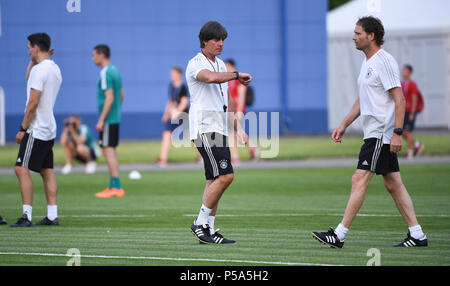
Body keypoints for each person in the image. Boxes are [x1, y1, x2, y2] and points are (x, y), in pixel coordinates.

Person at [312, 17, 427, 248]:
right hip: (375, 131)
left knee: (359, 178)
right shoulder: (368, 62)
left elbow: (399, 99)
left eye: (358, 33)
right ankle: (417, 235)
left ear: (371, 36)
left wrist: (396, 132)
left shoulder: (383, 61)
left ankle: (339, 234)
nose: (354, 37)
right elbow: (363, 99)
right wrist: (344, 124)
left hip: (380, 132)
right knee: (393, 183)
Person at [186, 21, 252, 244]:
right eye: (216, 39)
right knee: (226, 175)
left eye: (223, 39)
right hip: (204, 127)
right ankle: (200, 223)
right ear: (205, 41)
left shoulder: (222, 64)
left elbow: (229, 100)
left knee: (213, 179)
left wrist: (239, 128)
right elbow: (210, 78)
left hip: (219, 127)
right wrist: (236, 75)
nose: (221, 43)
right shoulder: (195, 64)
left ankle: (209, 230)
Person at [11, 33, 62, 227]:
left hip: (36, 128)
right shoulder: (55, 69)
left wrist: (22, 128)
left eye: (29, 47)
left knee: (21, 169)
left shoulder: (39, 71)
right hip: (49, 128)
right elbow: (28, 78)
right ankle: (52, 215)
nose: (28, 50)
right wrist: (34, 61)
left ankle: (26, 216)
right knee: (46, 171)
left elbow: (32, 102)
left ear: (36, 48)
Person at [92, 44, 125, 198]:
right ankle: (113, 185)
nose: (93, 58)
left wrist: (101, 119)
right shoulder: (115, 70)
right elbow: (122, 95)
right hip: (115, 117)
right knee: (110, 149)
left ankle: (116, 187)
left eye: (94, 55)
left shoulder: (105, 72)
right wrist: (117, 110)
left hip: (108, 119)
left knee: (108, 150)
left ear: (101, 55)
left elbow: (110, 97)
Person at [225, 59, 259, 163]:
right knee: (234, 133)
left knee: (233, 132)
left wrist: (239, 111)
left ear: (231, 66)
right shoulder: (226, 80)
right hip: (228, 110)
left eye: (226, 66)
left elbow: (241, 96)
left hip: (236, 110)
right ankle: (252, 148)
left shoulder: (237, 79)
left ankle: (235, 156)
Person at [156, 67, 189, 166]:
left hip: (183, 115)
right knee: (166, 134)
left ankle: (201, 157)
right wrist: (166, 114)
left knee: (191, 137)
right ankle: (163, 158)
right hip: (172, 115)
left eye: (174, 73)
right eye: (171, 73)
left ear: (179, 74)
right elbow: (171, 101)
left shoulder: (183, 87)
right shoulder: (171, 86)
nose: (172, 75)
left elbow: (184, 102)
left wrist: (177, 112)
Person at [401, 64, 424, 160]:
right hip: (403, 111)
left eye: (405, 71)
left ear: (409, 72)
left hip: (410, 111)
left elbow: (415, 99)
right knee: (401, 131)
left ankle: (410, 152)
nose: (403, 72)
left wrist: (412, 113)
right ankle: (416, 145)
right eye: (403, 70)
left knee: (408, 131)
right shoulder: (401, 83)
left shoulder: (412, 84)